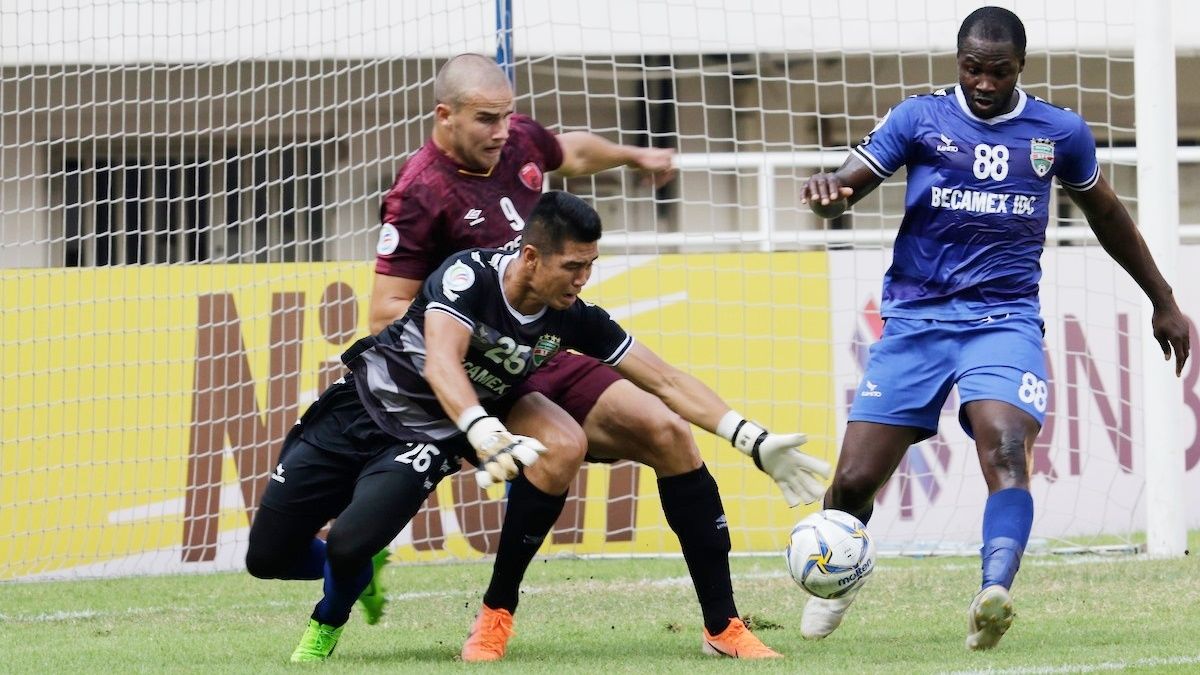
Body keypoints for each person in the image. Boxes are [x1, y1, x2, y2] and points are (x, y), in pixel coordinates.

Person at [367, 54, 830, 661]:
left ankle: (725, 628)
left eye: (507, 117)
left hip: (548, 346)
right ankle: (494, 615)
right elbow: (385, 312)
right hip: (479, 367)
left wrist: (634, 157)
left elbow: (572, 151)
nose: (503, 131)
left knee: (668, 432)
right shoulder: (420, 192)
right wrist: (465, 363)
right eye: (488, 119)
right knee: (558, 449)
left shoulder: (515, 142)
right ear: (446, 117)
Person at [245, 191, 826, 662]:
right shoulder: (467, 277)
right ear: (530, 257)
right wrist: (479, 428)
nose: (582, 280)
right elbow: (441, 360)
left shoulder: (573, 316)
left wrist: (750, 437)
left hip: (426, 436)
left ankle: (485, 616)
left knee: (351, 540)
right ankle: (356, 571)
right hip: (359, 406)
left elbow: (666, 380)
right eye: (573, 266)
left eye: (591, 266)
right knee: (266, 557)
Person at [797, 5, 1191, 651]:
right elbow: (854, 179)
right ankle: (838, 576)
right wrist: (830, 189)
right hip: (916, 320)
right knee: (853, 481)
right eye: (972, 69)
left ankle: (993, 592)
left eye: (998, 72)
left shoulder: (1059, 132)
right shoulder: (919, 117)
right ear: (959, 63)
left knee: (1006, 446)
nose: (983, 83)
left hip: (1002, 319)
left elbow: (1108, 214)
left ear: (1020, 68)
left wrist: (1164, 298)